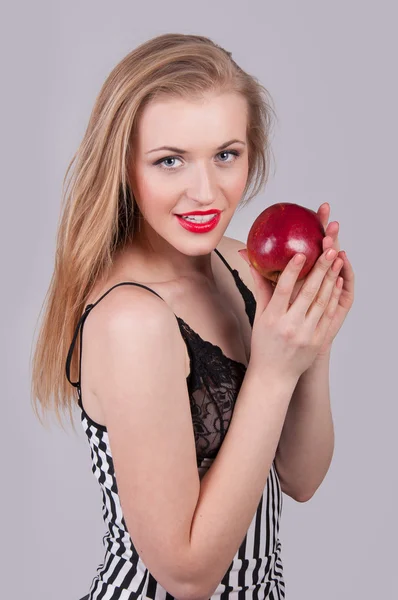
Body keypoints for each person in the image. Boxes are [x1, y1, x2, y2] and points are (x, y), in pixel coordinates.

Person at [31, 33, 354, 600]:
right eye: (170, 161)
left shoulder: (238, 263)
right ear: (124, 166)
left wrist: (312, 340)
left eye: (225, 155)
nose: (204, 192)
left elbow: (302, 478)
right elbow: (186, 575)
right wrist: (275, 371)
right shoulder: (131, 319)